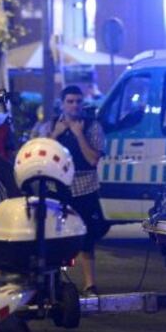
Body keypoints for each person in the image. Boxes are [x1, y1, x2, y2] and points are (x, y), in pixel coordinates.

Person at [36, 85, 108, 296]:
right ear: (62, 103)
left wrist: (78, 135)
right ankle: (51, 283)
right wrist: (56, 135)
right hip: (57, 188)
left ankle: (90, 284)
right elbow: (41, 154)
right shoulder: (50, 125)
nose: (75, 105)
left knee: (87, 239)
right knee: (52, 237)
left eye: (78, 101)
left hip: (84, 188)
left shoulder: (92, 127)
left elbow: (93, 159)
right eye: (70, 101)